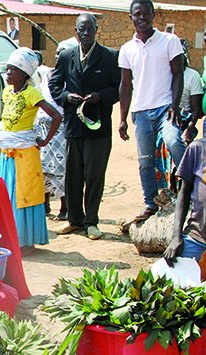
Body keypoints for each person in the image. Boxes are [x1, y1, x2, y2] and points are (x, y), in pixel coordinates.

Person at [49, 14, 121, 240]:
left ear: (96, 29)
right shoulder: (67, 55)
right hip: (73, 126)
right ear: (76, 31)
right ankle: (75, 220)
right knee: (73, 174)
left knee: (94, 175)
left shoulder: (109, 56)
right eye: (82, 29)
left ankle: (91, 222)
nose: (86, 32)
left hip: (98, 126)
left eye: (90, 28)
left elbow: (119, 88)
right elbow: (54, 83)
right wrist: (66, 96)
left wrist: (100, 96)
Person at [119, 0, 186, 222]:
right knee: (145, 161)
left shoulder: (169, 41)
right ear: (131, 18)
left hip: (165, 108)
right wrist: (122, 118)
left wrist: (175, 106)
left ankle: (191, 191)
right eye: (137, 15)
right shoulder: (127, 49)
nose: (142, 18)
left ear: (153, 15)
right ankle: (150, 204)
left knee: (174, 141)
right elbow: (125, 85)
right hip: (141, 112)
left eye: (146, 14)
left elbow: (178, 74)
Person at [0, 47, 62, 252]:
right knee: (8, 195)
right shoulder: (7, 92)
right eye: (7, 69)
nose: (8, 74)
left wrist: (45, 140)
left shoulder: (32, 93)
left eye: (12, 70)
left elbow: (56, 116)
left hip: (25, 154)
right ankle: (10, 239)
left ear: (24, 74)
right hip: (8, 154)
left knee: (23, 196)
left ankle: (25, 241)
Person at [34, 43, 73, 221]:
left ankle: (65, 208)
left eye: (62, 54)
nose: (58, 57)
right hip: (42, 127)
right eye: (57, 53)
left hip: (60, 127)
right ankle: (45, 204)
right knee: (42, 167)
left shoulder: (71, 77)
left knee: (60, 168)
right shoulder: (47, 74)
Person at [163, 138, 205, 263]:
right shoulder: (197, 149)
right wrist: (176, 237)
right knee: (170, 272)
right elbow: (184, 193)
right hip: (197, 238)